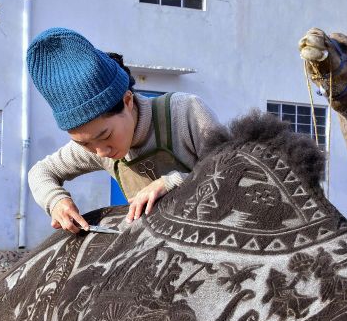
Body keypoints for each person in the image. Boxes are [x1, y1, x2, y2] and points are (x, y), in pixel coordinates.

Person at [27, 27, 227, 234]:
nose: (100, 152)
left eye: (105, 135)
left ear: (128, 101)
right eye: (84, 143)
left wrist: (172, 182)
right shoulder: (95, 147)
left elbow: (234, 173)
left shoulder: (185, 112)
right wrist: (56, 201)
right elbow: (40, 172)